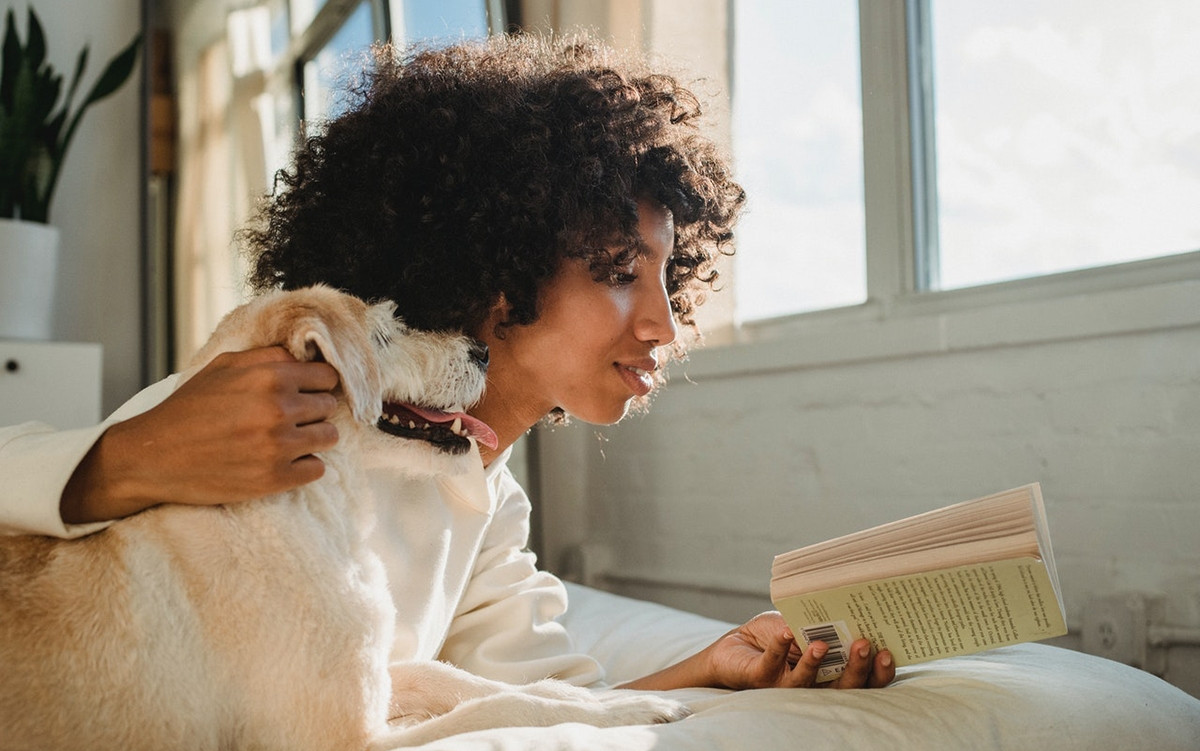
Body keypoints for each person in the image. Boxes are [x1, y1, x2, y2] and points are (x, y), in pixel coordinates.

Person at [0, 34, 893, 693]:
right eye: (622, 272)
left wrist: (712, 668)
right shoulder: (301, 396)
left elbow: (545, 705)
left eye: (668, 276)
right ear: (492, 270)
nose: (664, 324)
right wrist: (131, 456)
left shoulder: (491, 496)